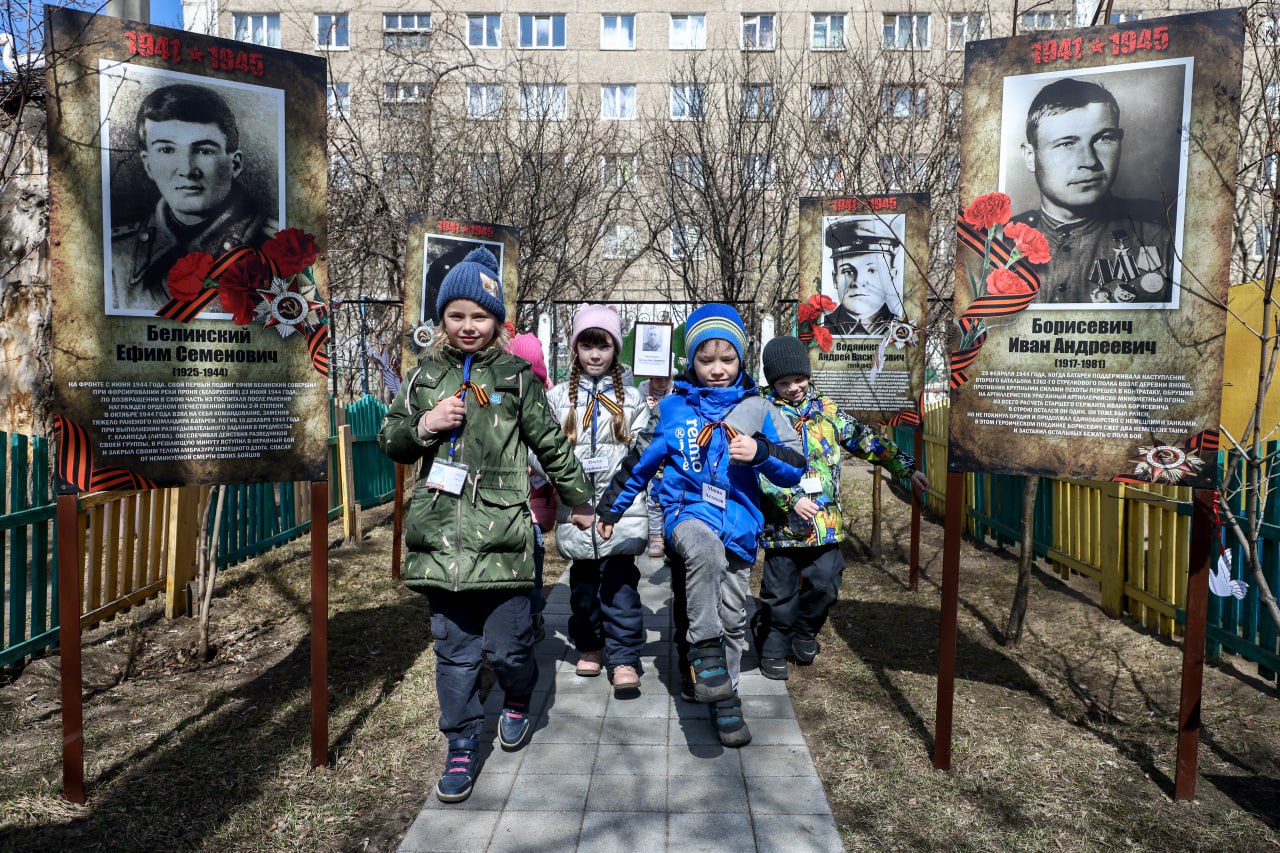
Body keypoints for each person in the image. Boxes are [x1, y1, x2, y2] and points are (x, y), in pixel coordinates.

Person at [378, 248, 593, 805]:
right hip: (439, 542)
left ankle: (518, 698)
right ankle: (463, 742)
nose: (468, 326)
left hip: (502, 540)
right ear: (441, 318)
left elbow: (550, 443)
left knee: (510, 649)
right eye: (457, 315)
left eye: (480, 315)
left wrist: (582, 501)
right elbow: (392, 440)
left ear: (498, 321)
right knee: (454, 653)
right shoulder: (423, 376)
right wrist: (427, 423)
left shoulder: (517, 378)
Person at [597, 304, 804, 747]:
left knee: (733, 617)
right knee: (703, 549)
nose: (716, 369)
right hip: (686, 514)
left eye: (726, 359)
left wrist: (762, 453)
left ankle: (725, 694)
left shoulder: (760, 409)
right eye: (705, 360)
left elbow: (795, 465)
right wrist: (610, 508)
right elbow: (639, 461)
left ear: (741, 360)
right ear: (691, 361)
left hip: (739, 525)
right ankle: (703, 651)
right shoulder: (673, 408)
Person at [753, 336, 929, 679]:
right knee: (779, 594)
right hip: (782, 524)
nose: (793, 388)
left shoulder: (828, 410)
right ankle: (774, 644)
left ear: (807, 375)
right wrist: (789, 499)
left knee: (826, 584)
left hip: (824, 522)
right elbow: (755, 465)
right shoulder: (762, 412)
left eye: (798, 379)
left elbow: (867, 441)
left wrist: (906, 467)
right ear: (772, 383)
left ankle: (804, 631)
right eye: (783, 383)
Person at [544, 305, 650, 693]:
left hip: (620, 512)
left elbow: (644, 455)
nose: (594, 354)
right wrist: (558, 479)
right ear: (575, 349)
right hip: (576, 512)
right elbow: (543, 452)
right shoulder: (557, 399)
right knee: (584, 591)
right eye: (586, 345)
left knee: (621, 589)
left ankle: (624, 657)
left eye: (602, 345)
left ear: (615, 349)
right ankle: (590, 646)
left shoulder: (633, 399)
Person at [111, 83, 277, 311]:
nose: (187, 170)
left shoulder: (278, 249)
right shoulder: (114, 256)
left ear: (235, 164)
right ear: (148, 164)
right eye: (167, 150)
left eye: (204, 150)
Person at [1012, 77, 1175, 305]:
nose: (1089, 161)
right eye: (1066, 144)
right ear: (1031, 157)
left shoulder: (1164, 234)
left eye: (1105, 139)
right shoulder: (1000, 243)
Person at [506, 333, 555, 642]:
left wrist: (532, 463)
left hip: (536, 496)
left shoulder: (546, 406)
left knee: (534, 550)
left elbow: (554, 453)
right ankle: (515, 613)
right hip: (505, 495)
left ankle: (533, 614)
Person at [822, 218, 905, 336]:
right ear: (835, 279)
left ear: (891, 277)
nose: (857, 281)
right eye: (847, 271)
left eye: (872, 270)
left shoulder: (901, 330)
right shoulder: (821, 329)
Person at [637, 373, 674, 557]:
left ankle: (671, 539)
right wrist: (647, 408)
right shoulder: (641, 393)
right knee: (653, 500)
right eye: (657, 378)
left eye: (666, 379)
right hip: (652, 456)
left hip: (672, 457)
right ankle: (655, 537)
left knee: (671, 499)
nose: (662, 383)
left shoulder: (677, 393)